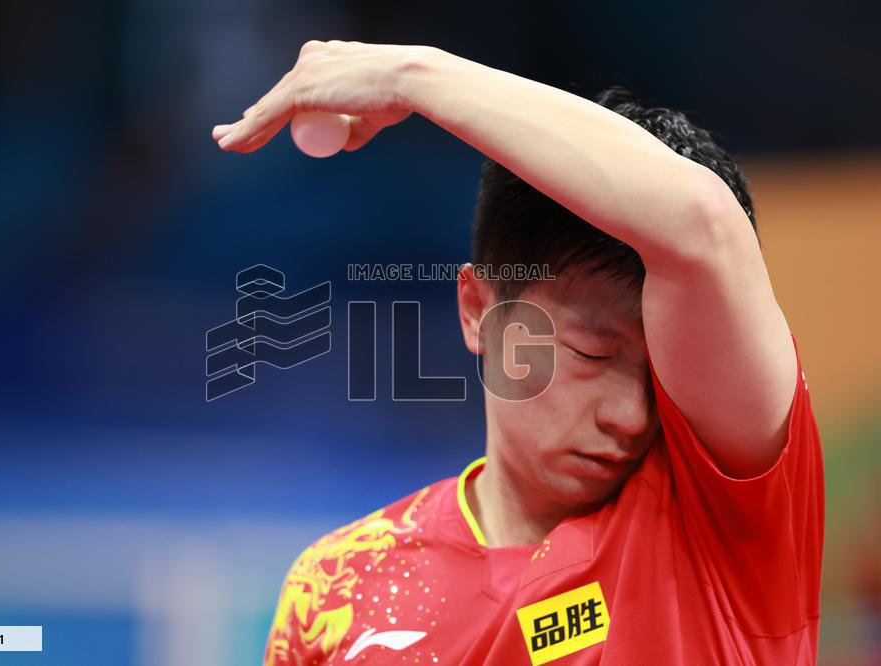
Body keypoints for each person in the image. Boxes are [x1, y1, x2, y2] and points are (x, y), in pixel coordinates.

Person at [213, 41, 824, 665]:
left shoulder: (733, 524)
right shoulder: (336, 593)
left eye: (663, 379)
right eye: (590, 351)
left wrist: (408, 76)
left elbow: (702, 222)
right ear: (479, 310)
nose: (632, 416)